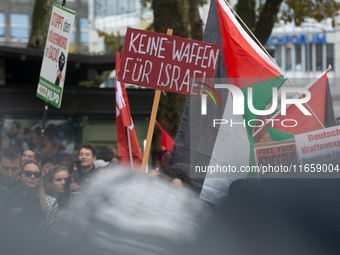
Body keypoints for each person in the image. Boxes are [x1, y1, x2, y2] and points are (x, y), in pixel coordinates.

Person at [0, 147, 43, 230]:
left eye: (14, 169)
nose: (9, 174)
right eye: (5, 168)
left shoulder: (30, 196)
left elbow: (37, 229)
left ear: (20, 167)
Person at [19, 160, 59, 229]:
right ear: (20, 175)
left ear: (40, 178)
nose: (32, 177)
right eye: (28, 173)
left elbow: (50, 231)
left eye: (37, 174)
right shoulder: (12, 197)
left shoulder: (51, 202)